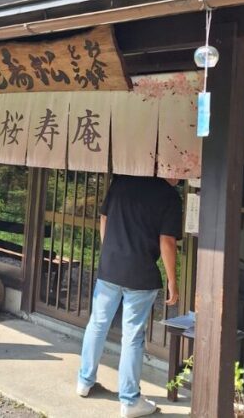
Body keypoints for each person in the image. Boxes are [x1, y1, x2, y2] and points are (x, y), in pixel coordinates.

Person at [76, 175, 183, 418]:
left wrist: (110, 254)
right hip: (141, 274)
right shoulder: (169, 196)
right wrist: (172, 281)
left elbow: (104, 218)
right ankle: (130, 400)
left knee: (97, 324)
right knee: (132, 336)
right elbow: (166, 241)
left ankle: (84, 381)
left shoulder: (122, 180)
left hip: (110, 268)